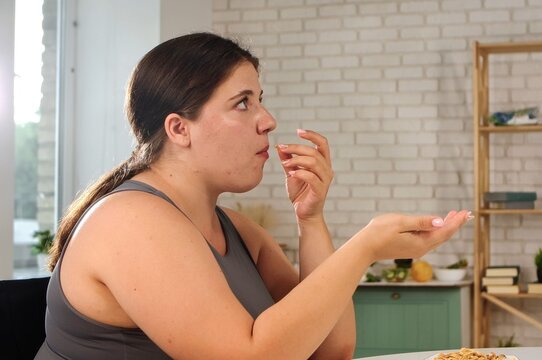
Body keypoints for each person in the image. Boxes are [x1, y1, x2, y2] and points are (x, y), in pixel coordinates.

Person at [35, 32, 471, 360]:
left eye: (260, 100)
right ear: (179, 129)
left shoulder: (236, 230)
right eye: (243, 103)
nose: (268, 120)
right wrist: (364, 249)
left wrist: (311, 221)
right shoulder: (129, 221)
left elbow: (330, 350)